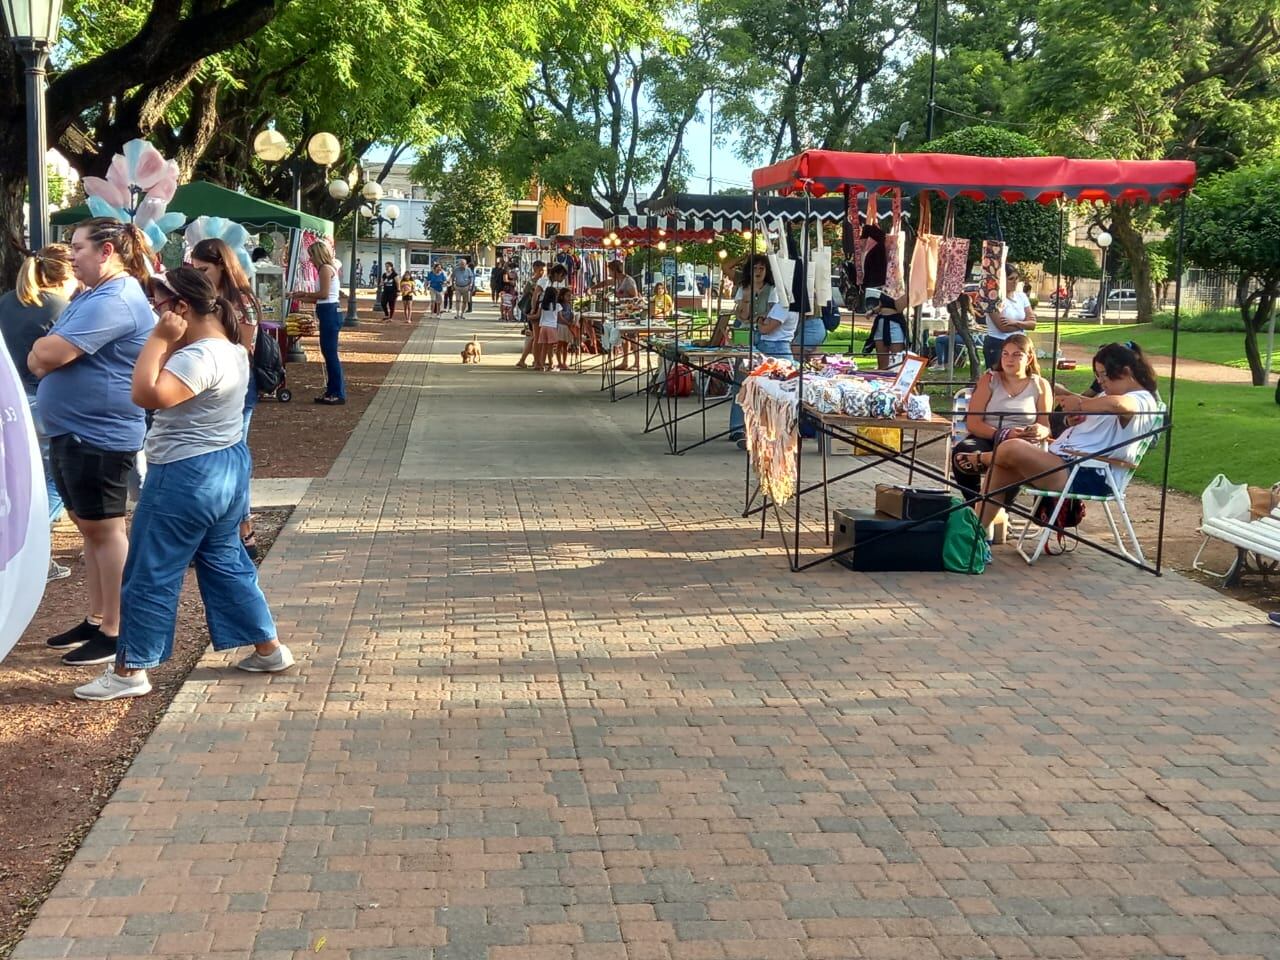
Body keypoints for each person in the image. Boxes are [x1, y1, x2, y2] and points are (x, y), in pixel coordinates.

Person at [73, 268, 294, 701]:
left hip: (185, 474)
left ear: (180, 307)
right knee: (224, 560)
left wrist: (158, 340)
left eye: (158, 304)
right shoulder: (230, 348)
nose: (153, 312)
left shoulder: (197, 357)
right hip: (226, 469)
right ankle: (268, 648)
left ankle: (130, 670)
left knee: (150, 571)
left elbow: (146, 395)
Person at [29, 219, 155, 666]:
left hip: (99, 435)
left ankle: (116, 630)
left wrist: (44, 352)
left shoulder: (115, 300)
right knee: (90, 528)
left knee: (106, 530)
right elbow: (42, 355)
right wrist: (44, 352)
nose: (71, 254)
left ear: (106, 252)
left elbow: (48, 353)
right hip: (77, 432)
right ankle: (98, 617)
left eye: (78, 246)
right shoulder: (91, 295)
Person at [961, 342, 1161, 532]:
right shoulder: (1108, 395)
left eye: (1103, 375)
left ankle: (983, 459)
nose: (1100, 382)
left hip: (1089, 474)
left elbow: (1119, 405)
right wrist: (1074, 412)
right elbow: (1101, 412)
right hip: (1068, 464)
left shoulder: (1142, 400)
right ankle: (975, 537)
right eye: (1097, 375)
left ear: (1126, 372)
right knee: (1000, 467)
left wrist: (1081, 404)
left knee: (1013, 447)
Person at [0, 244, 79, 580]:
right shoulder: (63, 308)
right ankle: (24, 548)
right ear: (65, 276)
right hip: (45, 401)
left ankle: (34, 556)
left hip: (9, 402)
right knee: (54, 481)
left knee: (16, 481)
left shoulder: (6, 302)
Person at [191, 237, 263, 557]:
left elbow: (243, 350)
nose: (199, 275)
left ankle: (243, 526)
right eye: (194, 269)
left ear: (221, 265)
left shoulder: (241, 300)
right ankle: (218, 529)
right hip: (205, 385)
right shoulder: (202, 297)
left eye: (204, 269)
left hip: (235, 385)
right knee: (210, 458)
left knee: (233, 456)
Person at [951, 333, 1051, 500]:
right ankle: (974, 504)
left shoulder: (1040, 385)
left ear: (1029, 358)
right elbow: (973, 423)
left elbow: (1045, 426)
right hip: (988, 437)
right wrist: (1003, 434)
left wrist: (1039, 431)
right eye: (1005, 354)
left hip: (1021, 443)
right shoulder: (990, 379)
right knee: (962, 452)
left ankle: (997, 508)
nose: (1009, 359)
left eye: (1017, 355)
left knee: (1013, 458)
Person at [728, 256, 797, 446]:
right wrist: (748, 306)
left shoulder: (774, 292)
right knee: (742, 382)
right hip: (748, 333)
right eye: (755, 268)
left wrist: (758, 320)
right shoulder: (744, 288)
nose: (758, 272)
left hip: (765, 339)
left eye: (761, 268)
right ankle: (738, 427)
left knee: (767, 387)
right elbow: (742, 315)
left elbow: (767, 321)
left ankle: (764, 429)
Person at [291, 241, 345, 405]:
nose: (310, 259)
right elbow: (321, 298)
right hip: (327, 310)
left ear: (318, 255)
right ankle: (332, 390)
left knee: (330, 353)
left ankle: (337, 392)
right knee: (328, 353)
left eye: (311, 256)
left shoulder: (325, 269)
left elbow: (323, 294)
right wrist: (300, 296)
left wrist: (303, 294)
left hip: (330, 312)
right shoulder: (326, 269)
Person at [983, 264, 1036, 370]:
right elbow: (1003, 327)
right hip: (998, 343)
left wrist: (1015, 323)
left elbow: (1033, 324)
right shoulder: (993, 298)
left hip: (1020, 342)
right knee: (999, 375)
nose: (1015, 282)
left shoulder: (1022, 297)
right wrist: (1024, 324)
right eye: (1011, 279)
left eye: (1017, 278)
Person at [591, 260, 640, 370]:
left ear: (615, 270)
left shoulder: (628, 281)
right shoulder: (617, 280)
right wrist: (593, 288)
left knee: (632, 337)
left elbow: (635, 298)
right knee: (624, 337)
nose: (609, 272)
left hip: (630, 314)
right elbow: (605, 283)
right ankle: (625, 361)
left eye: (610, 270)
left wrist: (625, 303)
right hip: (621, 313)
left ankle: (637, 363)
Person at [533, 263, 568, 372]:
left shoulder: (550, 282)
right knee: (538, 339)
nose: (562, 279)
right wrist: (533, 309)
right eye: (562, 276)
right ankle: (538, 362)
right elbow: (535, 294)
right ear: (558, 274)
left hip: (542, 311)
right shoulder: (545, 281)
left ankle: (539, 361)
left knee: (540, 340)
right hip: (540, 310)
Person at [516, 260, 549, 369]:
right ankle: (532, 360)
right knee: (535, 337)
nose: (542, 272)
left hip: (537, 311)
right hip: (533, 311)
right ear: (535, 269)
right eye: (541, 270)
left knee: (534, 337)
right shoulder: (532, 282)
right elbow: (526, 294)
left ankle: (528, 360)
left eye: (544, 270)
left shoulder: (543, 280)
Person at [868, 292, 909, 369]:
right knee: (882, 364)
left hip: (895, 323)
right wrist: (872, 311)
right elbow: (881, 305)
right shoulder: (885, 289)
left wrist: (898, 295)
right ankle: (882, 374)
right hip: (881, 323)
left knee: (897, 361)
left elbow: (899, 308)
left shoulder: (903, 291)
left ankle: (895, 374)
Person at [556, 286, 576, 371]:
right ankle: (559, 363)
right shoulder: (559, 305)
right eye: (567, 295)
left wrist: (572, 320)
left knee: (565, 346)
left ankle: (564, 362)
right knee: (559, 345)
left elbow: (570, 314)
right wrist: (568, 323)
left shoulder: (569, 305)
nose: (569, 297)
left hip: (567, 326)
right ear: (562, 296)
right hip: (561, 326)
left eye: (570, 295)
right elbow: (560, 317)